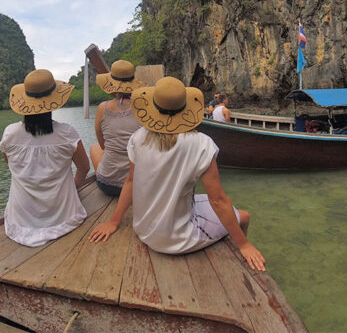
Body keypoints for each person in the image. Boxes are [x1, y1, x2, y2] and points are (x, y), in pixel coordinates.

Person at [88, 77, 265, 271]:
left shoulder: (138, 138)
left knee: (211, 201)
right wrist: (244, 244)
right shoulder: (201, 143)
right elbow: (218, 201)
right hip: (179, 239)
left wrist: (114, 222)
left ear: (154, 108)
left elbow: (130, 181)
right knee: (244, 216)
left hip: (144, 230)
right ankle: (243, 255)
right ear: (185, 108)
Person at [0, 69, 90, 247]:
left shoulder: (10, 134)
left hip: (20, 224)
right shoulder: (67, 134)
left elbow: (10, 164)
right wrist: (73, 189)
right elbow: (84, 168)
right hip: (65, 219)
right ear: (53, 102)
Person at [88, 60, 144, 197]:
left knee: (95, 148)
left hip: (107, 185)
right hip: (137, 185)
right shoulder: (143, 107)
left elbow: (103, 145)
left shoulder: (102, 108)